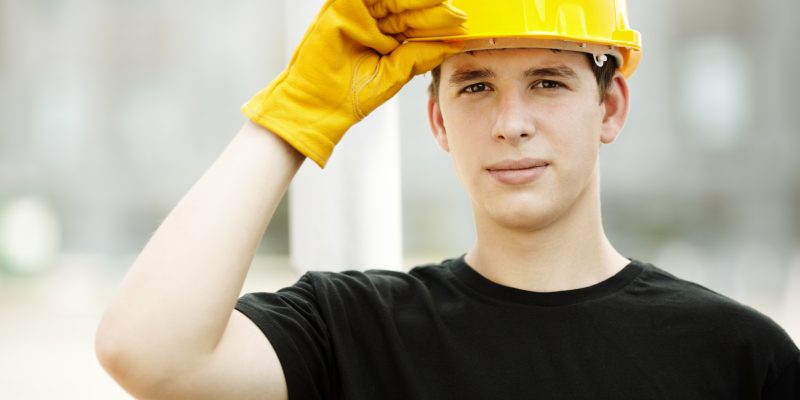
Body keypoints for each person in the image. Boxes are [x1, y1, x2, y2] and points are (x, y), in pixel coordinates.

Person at [95, 0, 800, 399]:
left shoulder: (736, 357)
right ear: (436, 120)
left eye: (549, 82)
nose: (510, 120)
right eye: (474, 86)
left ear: (610, 106)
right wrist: (297, 113)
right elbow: (147, 352)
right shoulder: (355, 333)